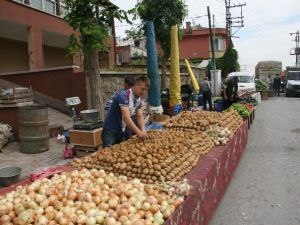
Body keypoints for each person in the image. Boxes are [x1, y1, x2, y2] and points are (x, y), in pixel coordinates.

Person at [102, 75, 150, 148]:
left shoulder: (138, 99)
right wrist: (139, 133)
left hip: (121, 131)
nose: (144, 92)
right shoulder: (124, 96)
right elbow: (126, 118)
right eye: (143, 89)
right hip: (110, 131)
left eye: (146, 90)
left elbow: (140, 116)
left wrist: (143, 130)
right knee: (106, 154)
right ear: (136, 85)